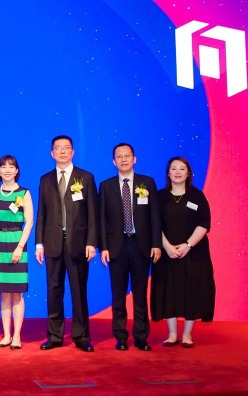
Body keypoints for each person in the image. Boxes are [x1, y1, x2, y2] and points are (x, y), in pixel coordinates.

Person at [35, 135, 98, 352]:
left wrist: (92, 242)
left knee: (79, 291)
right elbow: (41, 214)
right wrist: (39, 244)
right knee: (54, 291)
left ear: (73, 152)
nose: (62, 151)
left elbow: (93, 214)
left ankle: (81, 336)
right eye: (58, 148)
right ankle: (54, 336)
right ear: (52, 153)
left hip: (78, 243)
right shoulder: (45, 179)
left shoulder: (86, 178)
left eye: (66, 148)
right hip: (52, 243)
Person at [99, 143, 161, 352]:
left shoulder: (147, 183)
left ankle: (141, 337)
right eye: (119, 156)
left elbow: (155, 216)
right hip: (116, 247)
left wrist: (156, 244)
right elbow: (102, 220)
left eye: (127, 156)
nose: (123, 159)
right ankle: (121, 336)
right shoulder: (106, 186)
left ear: (134, 159)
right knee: (118, 295)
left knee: (140, 294)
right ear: (113, 161)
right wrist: (103, 247)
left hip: (141, 245)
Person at [151, 156, 215, 348]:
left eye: (182, 168)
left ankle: (187, 335)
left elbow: (204, 224)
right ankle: (172, 334)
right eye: (173, 168)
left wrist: (188, 245)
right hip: (167, 253)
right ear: (168, 173)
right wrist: (167, 246)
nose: (177, 172)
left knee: (191, 291)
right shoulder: (159, 197)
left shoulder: (197, 196)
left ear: (188, 173)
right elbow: (154, 224)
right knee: (169, 291)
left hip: (194, 254)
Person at [0, 156, 32, 350]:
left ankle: (17, 337)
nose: (7, 170)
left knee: (17, 294)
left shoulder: (24, 193)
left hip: (16, 242)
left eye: (11, 167)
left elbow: (29, 222)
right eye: (3, 167)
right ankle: (6, 335)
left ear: (16, 170)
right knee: (4, 294)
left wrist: (20, 247)